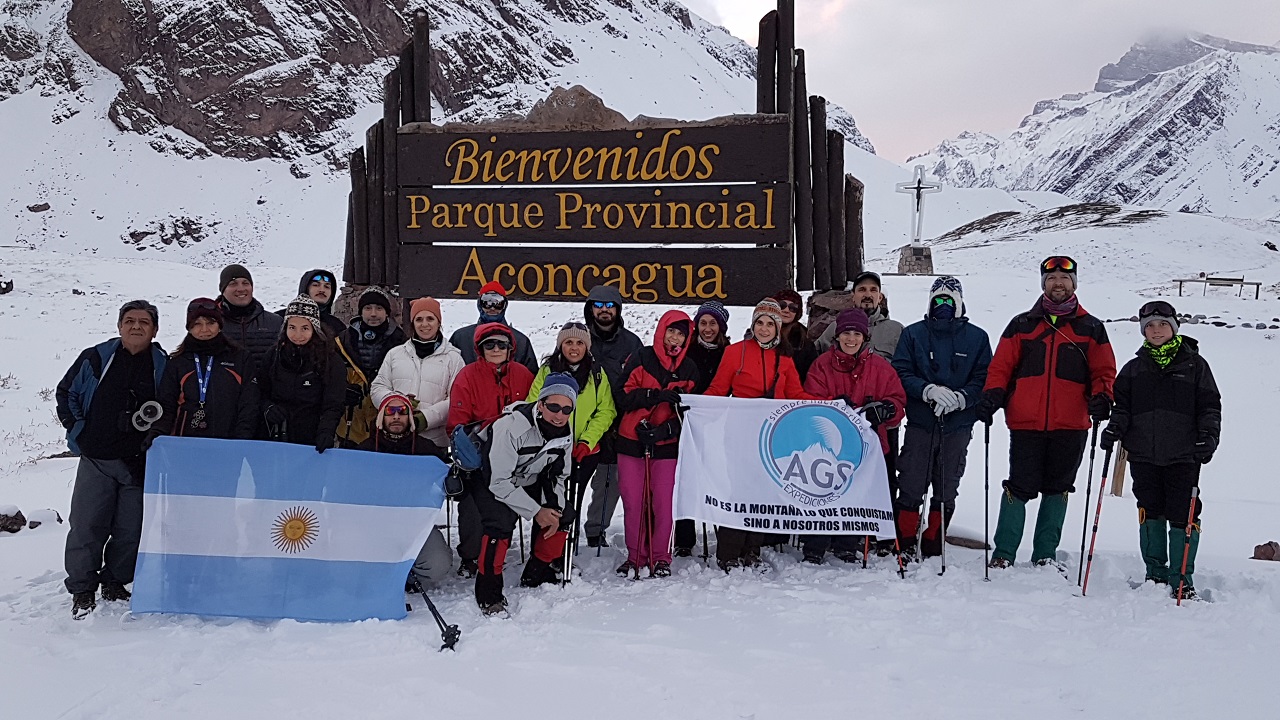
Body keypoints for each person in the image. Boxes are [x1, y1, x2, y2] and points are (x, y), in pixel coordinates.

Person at [978, 256, 1116, 569]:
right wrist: (993, 394)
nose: (1058, 284)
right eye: (1051, 278)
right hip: (1025, 422)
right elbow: (1001, 367)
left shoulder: (1092, 328)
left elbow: (1104, 371)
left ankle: (1044, 554)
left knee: (1058, 488)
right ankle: (1004, 554)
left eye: (1064, 279)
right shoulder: (1021, 324)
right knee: (1018, 486)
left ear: (1074, 283)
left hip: (1071, 423)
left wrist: (1103, 397)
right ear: (1043, 284)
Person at [55, 301, 167, 619]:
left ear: (154, 330)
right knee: (87, 525)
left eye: (144, 322)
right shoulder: (96, 357)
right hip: (97, 458)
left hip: (139, 462)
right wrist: (79, 430)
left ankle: (115, 582)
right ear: (119, 326)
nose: (136, 326)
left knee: (130, 529)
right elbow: (66, 393)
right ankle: (82, 588)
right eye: (129, 321)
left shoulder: (162, 365)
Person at [1101, 301, 1220, 598]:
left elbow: (1209, 406)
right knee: (1150, 510)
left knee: (1184, 513)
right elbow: (1122, 408)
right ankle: (1154, 574)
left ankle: (1181, 579)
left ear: (1174, 328)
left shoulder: (1195, 366)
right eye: (1150, 326)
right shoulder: (1133, 369)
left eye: (1163, 325)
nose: (1156, 330)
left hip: (1184, 455)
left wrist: (1208, 436)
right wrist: (1114, 428)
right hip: (1143, 454)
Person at [706, 298, 815, 570]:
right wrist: (693, 404)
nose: (764, 329)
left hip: (771, 437)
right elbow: (718, 390)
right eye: (760, 323)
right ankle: (729, 552)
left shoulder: (785, 359)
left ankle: (752, 549)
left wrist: (830, 404)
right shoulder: (735, 353)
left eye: (770, 324)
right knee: (737, 492)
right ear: (753, 324)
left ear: (778, 328)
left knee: (761, 493)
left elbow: (796, 395)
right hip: (739, 435)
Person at [891, 277, 992, 559]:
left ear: (959, 303)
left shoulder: (977, 337)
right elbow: (901, 371)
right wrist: (926, 390)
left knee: (947, 485)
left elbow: (984, 377)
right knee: (911, 481)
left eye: (949, 300)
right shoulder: (913, 334)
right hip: (921, 423)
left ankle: (934, 542)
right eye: (938, 300)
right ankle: (905, 541)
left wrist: (962, 398)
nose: (943, 305)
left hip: (958, 425)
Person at [801, 308, 905, 564]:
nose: (851, 339)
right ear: (837, 336)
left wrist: (886, 409)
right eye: (846, 333)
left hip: (866, 444)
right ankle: (815, 543)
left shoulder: (880, 367)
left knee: (856, 490)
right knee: (823, 489)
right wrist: (832, 404)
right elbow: (809, 401)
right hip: (827, 443)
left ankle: (847, 542)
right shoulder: (822, 365)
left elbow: (897, 401)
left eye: (857, 334)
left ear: (865, 337)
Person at [471, 374, 578, 615]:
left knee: (563, 514)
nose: (559, 415)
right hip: (490, 479)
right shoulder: (511, 427)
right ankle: (488, 593)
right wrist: (536, 511)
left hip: (528, 478)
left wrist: (554, 509)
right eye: (553, 407)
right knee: (500, 524)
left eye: (567, 409)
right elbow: (498, 481)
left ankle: (537, 572)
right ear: (540, 404)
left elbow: (559, 476)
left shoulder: (564, 432)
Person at [614, 310, 700, 578]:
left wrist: (666, 430)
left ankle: (661, 556)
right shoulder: (642, 357)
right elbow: (622, 395)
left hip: (667, 444)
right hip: (631, 440)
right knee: (634, 502)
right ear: (662, 330)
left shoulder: (690, 369)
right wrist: (654, 395)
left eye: (681, 334)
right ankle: (635, 556)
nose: (674, 338)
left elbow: (692, 413)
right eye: (671, 331)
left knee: (663, 503)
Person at [446, 323, 536, 577]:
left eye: (501, 344)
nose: (496, 349)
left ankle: (498, 549)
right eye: (489, 345)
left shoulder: (523, 375)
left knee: (510, 501)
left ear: (510, 349)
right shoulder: (467, 376)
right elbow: (457, 422)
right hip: (478, 451)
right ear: (480, 348)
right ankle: (470, 555)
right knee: (473, 506)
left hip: (515, 453)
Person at [526, 322, 617, 555]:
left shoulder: (597, 374)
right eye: (568, 342)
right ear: (560, 345)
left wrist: (587, 441)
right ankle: (544, 554)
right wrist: (551, 436)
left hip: (584, 451)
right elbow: (533, 404)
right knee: (550, 501)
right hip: (551, 449)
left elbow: (606, 410)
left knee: (573, 501)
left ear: (587, 346)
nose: (574, 348)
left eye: (579, 343)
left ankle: (567, 549)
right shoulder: (547, 371)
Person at [359, 394, 453, 587]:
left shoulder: (425, 449)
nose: (396, 416)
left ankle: (409, 578)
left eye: (402, 412)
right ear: (382, 417)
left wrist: (453, 481)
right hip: (372, 525)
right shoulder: (364, 450)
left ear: (409, 418)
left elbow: (447, 475)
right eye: (390, 411)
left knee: (438, 565)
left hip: (415, 523)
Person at [581, 285, 643, 549]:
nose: (604, 311)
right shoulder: (579, 339)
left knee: (608, 482)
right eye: (598, 305)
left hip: (619, 423)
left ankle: (596, 530)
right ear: (590, 309)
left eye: (610, 306)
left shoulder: (631, 343)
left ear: (618, 309)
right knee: (572, 482)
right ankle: (563, 534)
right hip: (581, 423)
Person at [153, 298, 260, 441]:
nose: (204, 329)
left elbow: (249, 403)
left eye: (210, 323)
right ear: (189, 328)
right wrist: (157, 433)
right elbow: (167, 406)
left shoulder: (240, 358)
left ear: (220, 325)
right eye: (197, 324)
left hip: (230, 442)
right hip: (186, 444)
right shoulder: (178, 362)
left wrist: (242, 438)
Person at [371, 297, 465, 450]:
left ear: (439, 323)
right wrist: (398, 403)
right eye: (419, 319)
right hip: (396, 440)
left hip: (435, 441)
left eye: (430, 319)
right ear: (413, 323)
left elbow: (457, 399)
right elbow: (378, 387)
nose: (424, 324)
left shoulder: (453, 358)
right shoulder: (395, 354)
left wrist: (425, 419)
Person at [674, 301, 730, 556]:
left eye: (713, 323)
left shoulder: (728, 352)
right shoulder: (687, 351)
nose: (708, 329)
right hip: (686, 420)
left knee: (716, 479)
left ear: (721, 327)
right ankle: (684, 537)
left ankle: (723, 531)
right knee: (685, 477)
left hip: (718, 424)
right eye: (703, 323)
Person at [257, 296, 346, 451]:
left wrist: (326, 431)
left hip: (312, 437)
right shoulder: (273, 355)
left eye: (304, 328)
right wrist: (268, 407)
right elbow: (260, 390)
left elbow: (333, 403)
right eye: (292, 328)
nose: (297, 335)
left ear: (315, 329)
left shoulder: (330, 360)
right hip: (276, 435)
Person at [334, 287, 406, 447]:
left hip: (386, 423)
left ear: (387, 312)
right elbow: (331, 377)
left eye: (379, 308)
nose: (373, 314)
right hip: (350, 423)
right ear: (360, 311)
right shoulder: (343, 341)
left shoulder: (401, 342)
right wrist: (343, 391)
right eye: (368, 308)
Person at [448, 281, 538, 373]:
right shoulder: (460, 338)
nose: (492, 308)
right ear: (479, 304)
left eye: (498, 303)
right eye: (487, 302)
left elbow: (531, 378)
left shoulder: (521, 341)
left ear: (505, 305)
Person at [816, 272, 904, 361]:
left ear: (880, 297)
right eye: (862, 290)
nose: (868, 295)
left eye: (873, 290)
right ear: (853, 296)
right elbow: (815, 359)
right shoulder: (835, 328)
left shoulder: (896, 331)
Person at [216, 264, 283, 367]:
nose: (241, 289)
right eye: (233, 284)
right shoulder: (211, 324)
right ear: (223, 289)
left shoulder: (275, 322)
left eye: (245, 283)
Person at [280, 269, 345, 336]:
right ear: (305, 287)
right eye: (316, 285)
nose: (322, 290)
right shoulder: (280, 319)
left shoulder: (337, 326)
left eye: (327, 287)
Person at [772, 289, 819, 381]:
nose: (786, 310)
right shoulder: (760, 332)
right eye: (782, 305)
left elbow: (811, 374)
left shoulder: (804, 339)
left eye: (793, 308)